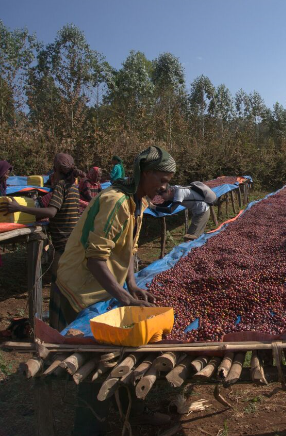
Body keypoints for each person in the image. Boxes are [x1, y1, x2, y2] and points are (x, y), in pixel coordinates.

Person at [52, 146, 176, 433]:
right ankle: (88, 427)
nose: (164, 186)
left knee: (126, 351)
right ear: (145, 174)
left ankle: (134, 412)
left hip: (106, 288)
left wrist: (131, 284)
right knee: (93, 362)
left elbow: (130, 248)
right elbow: (95, 259)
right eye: (162, 179)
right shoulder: (116, 201)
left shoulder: (138, 201)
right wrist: (124, 297)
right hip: (80, 288)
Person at [0, 153, 82, 280]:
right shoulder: (74, 187)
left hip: (63, 242)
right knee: (68, 280)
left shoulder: (61, 186)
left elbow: (51, 212)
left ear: (56, 169)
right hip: (73, 240)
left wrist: (20, 208)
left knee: (59, 281)